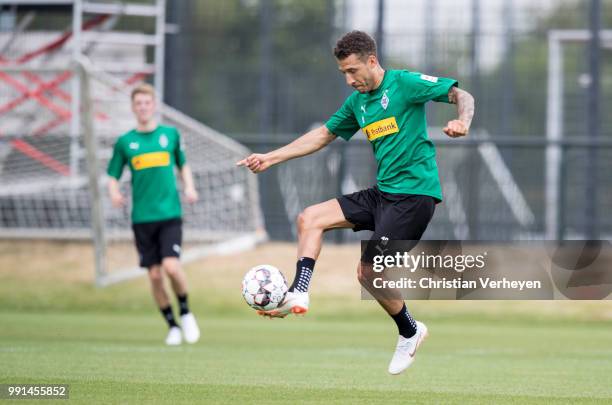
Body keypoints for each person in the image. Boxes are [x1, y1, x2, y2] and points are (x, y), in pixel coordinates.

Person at [238, 30, 475, 374]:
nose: (349, 80)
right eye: (343, 74)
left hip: (415, 196)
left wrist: (462, 121)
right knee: (310, 218)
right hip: (383, 193)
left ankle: (410, 331)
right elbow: (322, 135)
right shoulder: (358, 103)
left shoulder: (405, 83)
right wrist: (271, 158)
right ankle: (299, 292)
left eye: (353, 71)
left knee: (368, 272)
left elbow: (461, 95)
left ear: (372, 61)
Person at [107, 83, 201, 346]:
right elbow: (112, 175)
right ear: (133, 107)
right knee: (155, 275)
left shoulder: (169, 135)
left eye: (147, 103)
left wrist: (190, 187)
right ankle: (171, 325)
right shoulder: (126, 142)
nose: (143, 107)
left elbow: (183, 166)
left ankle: (185, 312)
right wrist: (114, 193)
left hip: (169, 213)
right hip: (142, 218)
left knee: (171, 266)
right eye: (138, 104)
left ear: (154, 105)